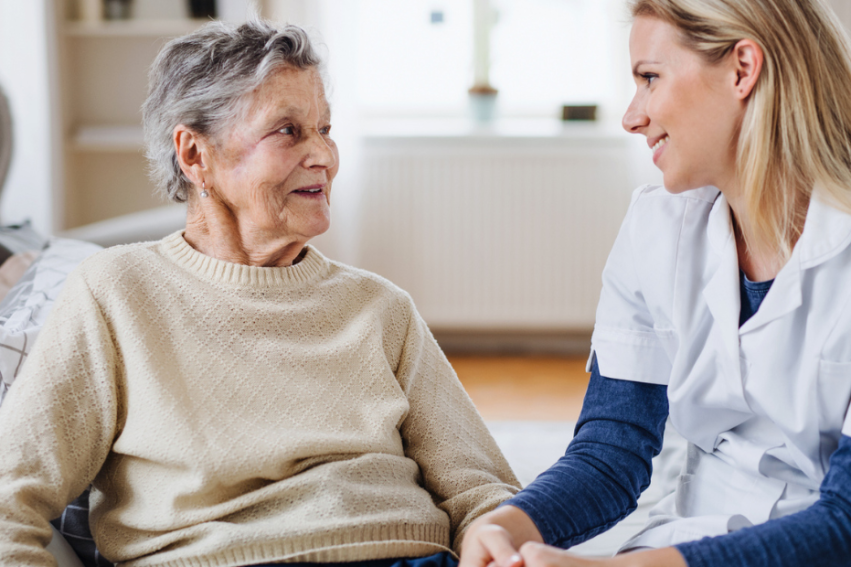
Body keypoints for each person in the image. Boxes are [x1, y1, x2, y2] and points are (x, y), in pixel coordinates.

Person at [0, 19, 520, 567]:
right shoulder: (117, 292)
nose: (323, 155)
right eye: (288, 131)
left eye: (324, 128)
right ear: (195, 154)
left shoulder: (380, 307)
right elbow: (12, 497)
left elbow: (481, 488)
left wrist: (497, 535)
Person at [459, 1, 851, 566]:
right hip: (685, 539)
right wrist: (509, 524)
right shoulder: (655, 227)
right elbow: (611, 450)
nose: (631, 116)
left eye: (649, 78)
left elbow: (843, 519)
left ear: (743, 69)